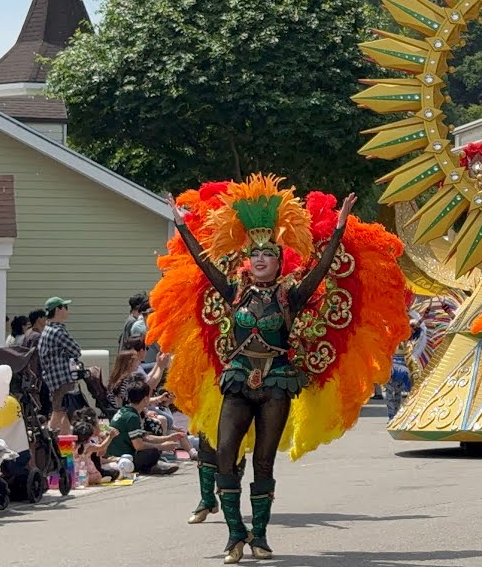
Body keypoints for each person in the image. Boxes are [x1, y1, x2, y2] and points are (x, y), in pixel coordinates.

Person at [154, 176, 409, 563]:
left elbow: (324, 267)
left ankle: (260, 537)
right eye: (254, 255)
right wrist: (180, 223)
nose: (259, 260)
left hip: (275, 381)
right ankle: (234, 536)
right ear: (248, 260)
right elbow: (202, 260)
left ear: (277, 260)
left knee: (263, 461)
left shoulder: (291, 295)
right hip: (238, 379)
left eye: (267, 255)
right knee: (225, 453)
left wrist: (339, 226)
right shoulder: (233, 291)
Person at [106, 381, 180, 475]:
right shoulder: (132, 417)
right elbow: (139, 445)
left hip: (121, 454)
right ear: (145, 399)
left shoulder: (125, 411)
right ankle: (149, 468)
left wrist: (169, 438)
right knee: (153, 452)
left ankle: (153, 465)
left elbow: (145, 437)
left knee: (151, 446)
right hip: (123, 458)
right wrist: (162, 447)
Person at [37, 297, 81, 435]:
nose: (67, 311)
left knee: (58, 413)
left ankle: (52, 445)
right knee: (64, 414)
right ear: (58, 310)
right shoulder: (58, 332)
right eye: (65, 307)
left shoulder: (47, 329)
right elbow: (76, 350)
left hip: (53, 379)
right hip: (62, 379)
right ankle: (63, 451)